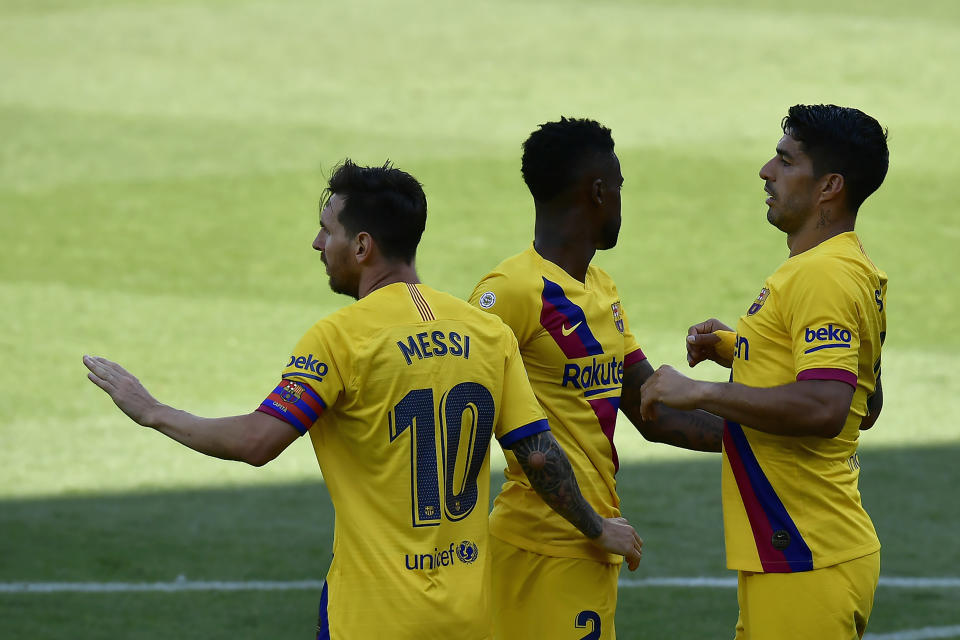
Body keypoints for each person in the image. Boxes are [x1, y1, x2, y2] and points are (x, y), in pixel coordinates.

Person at [83, 160, 643, 640]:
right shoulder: (486, 334)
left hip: (373, 617)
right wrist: (596, 527)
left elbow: (257, 442)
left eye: (326, 230)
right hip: (468, 618)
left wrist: (153, 411)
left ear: (362, 245)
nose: (316, 244)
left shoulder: (341, 338)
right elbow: (539, 455)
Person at [640, 104, 888, 639]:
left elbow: (828, 407)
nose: (766, 172)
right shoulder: (848, 268)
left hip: (805, 551)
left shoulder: (822, 276)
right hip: (803, 552)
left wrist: (700, 391)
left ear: (830, 187)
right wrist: (740, 350)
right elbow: (867, 403)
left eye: (785, 160)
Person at [468, 118, 723, 640]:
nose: (622, 202)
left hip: (590, 544)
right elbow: (462, 408)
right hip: (539, 545)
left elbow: (654, 412)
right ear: (598, 192)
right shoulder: (510, 291)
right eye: (620, 187)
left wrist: (763, 432)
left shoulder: (600, 287)